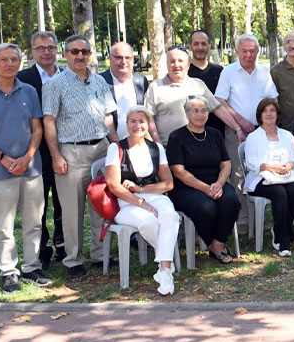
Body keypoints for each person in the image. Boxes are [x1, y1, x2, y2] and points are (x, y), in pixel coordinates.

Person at [0, 43, 48, 292]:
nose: (9, 64)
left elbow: (37, 128)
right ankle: (8, 271)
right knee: (3, 225)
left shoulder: (29, 91)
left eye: (14, 59)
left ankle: (32, 267)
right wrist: (4, 159)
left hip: (31, 168)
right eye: (3, 60)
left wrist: (28, 156)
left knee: (34, 221)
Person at [43, 35, 118, 279]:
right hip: (71, 151)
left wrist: (115, 145)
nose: (79, 56)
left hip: (101, 149)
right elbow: (49, 121)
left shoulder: (99, 82)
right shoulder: (55, 84)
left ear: (90, 54)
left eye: (84, 52)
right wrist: (56, 155)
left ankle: (99, 254)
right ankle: (73, 259)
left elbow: (108, 117)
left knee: (102, 205)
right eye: (74, 51)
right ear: (65, 54)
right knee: (72, 209)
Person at [104, 107, 179, 294]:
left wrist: (142, 190)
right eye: (133, 121)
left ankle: (164, 270)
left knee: (170, 215)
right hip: (125, 201)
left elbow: (168, 184)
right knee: (149, 221)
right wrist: (140, 201)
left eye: (142, 121)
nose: (138, 125)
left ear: (148, 124)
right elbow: (113, 185)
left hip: (153, 194)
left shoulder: (157, 148)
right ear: (126, 124)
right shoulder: (116, 148)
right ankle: (166, 263)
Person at [166, 96, 242, 264]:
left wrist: (220, 183)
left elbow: (226, 164)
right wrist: (205, 189)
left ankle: (217, 243)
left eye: (204, 110)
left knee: (231, 201)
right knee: (206, 207)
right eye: (195, 111)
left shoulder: (214, 134)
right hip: (186, 187)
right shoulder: (176, 137)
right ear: (186, 113)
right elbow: (179, 172)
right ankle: (214, 245)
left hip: (216, 183)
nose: (200, 114)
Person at [215, 34, 278, 221]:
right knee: (237, 174)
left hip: (262, 131)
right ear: (237, 52)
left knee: (262, 171)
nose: (249, 55)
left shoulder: (264, 72)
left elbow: (272, 99)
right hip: (236, 131)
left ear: (258, 51)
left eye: (252, 51)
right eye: (244, 51)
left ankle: (261, 218)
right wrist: (239, 123)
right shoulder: (228, 72)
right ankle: (242, 218)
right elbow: (219, 100)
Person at [17, 30, 62, 268]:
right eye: (41, 48)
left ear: (57, 50)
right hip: (34, 150)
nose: (46, 52)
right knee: (38, 203)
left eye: (50, 47)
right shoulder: (22, 78)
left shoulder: (68, 76)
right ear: (32, 51)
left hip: (64, 148)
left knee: (64, 201)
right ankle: (42, 250)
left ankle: (63, 245)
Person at [244, 98, 294, 256]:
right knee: (279, 193)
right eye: (265, 111)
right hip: (261, 178)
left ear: (278, 114)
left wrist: (290, 165)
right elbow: (251, 163)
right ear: (260, 115)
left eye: (272, 110)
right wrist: (271, 167)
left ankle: (279, 228)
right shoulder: (253, 137)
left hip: (286, 176)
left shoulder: (286, 135)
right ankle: (283, 240)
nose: (269, 114)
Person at [144, 47, 239, 146]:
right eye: (172, 61)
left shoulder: (198, 84)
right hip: (169, 148)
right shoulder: (155, 87)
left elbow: (218, 108)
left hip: (198, 147)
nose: (176, 65)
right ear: (167, 64)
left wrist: (237, 129)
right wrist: (158, 144)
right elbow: (148, 117)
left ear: (188, 64)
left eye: (180, 61)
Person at [100, 42, 148, 140]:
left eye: (128, 58)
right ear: (110, 58)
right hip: (107, 146)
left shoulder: (142, 82)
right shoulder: (99, 81)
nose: (124, 62)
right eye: (119, 57)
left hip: (136, 143)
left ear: (133, 59)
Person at [188, 30, 226, 134]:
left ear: (209, 46)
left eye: (203, 44)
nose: (200, 48)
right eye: (196, 44)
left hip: (218, 131)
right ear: (190, 46)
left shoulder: (219, 71)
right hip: (192, 132)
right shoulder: (184, 73)